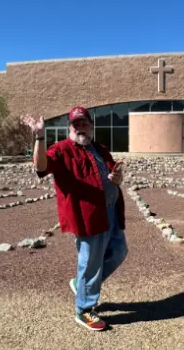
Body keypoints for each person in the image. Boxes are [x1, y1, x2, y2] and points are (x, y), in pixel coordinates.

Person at [21, 106, 127, 332]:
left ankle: (81, 285)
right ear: (70, 128)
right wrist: (40, 136)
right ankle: (84, 309)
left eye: (84, 123)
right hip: (88, 216)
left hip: (111, 211)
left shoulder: (101, 149)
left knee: (119, 252)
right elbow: (40, 166)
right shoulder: (61, 150)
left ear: (91, 126)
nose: (80, 128)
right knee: (90, 262)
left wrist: (117, 178)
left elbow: (113, 175)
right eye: (75, 124)